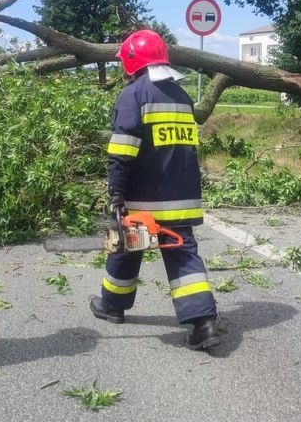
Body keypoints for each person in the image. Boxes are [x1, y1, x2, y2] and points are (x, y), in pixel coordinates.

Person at [90, 29, 221, 350]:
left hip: (144, 199)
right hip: (183, 198)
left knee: (124, 247)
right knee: (184, 259)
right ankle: (203, 324)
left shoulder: (133, 95)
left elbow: (122, 151)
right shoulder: (182, 97)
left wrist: (116, 193)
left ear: (132, 63)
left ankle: (113, 306)